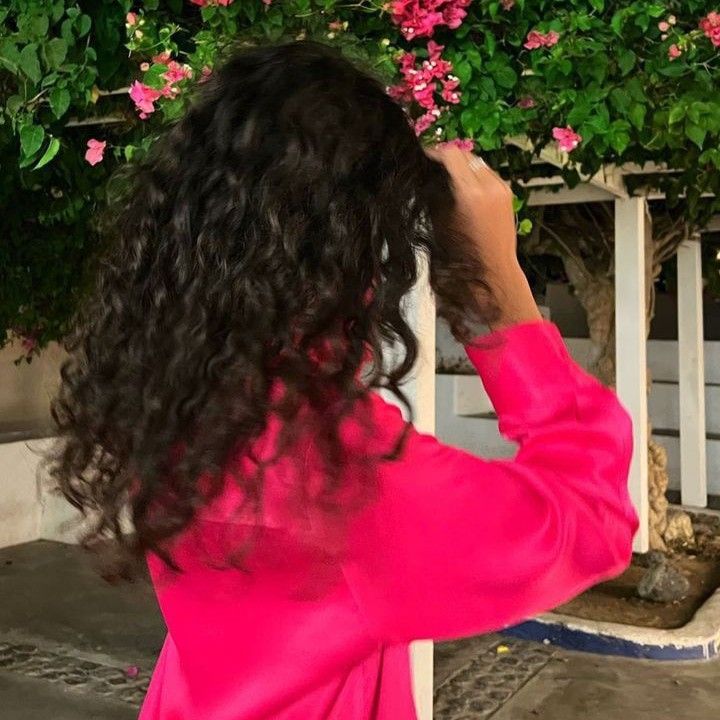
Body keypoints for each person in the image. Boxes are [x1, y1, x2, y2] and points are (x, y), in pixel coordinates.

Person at [48, 41, 637, 720]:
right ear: (351, 248)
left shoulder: (180, 399)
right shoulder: (342, 476)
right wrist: (495, 287)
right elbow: (591, 519)